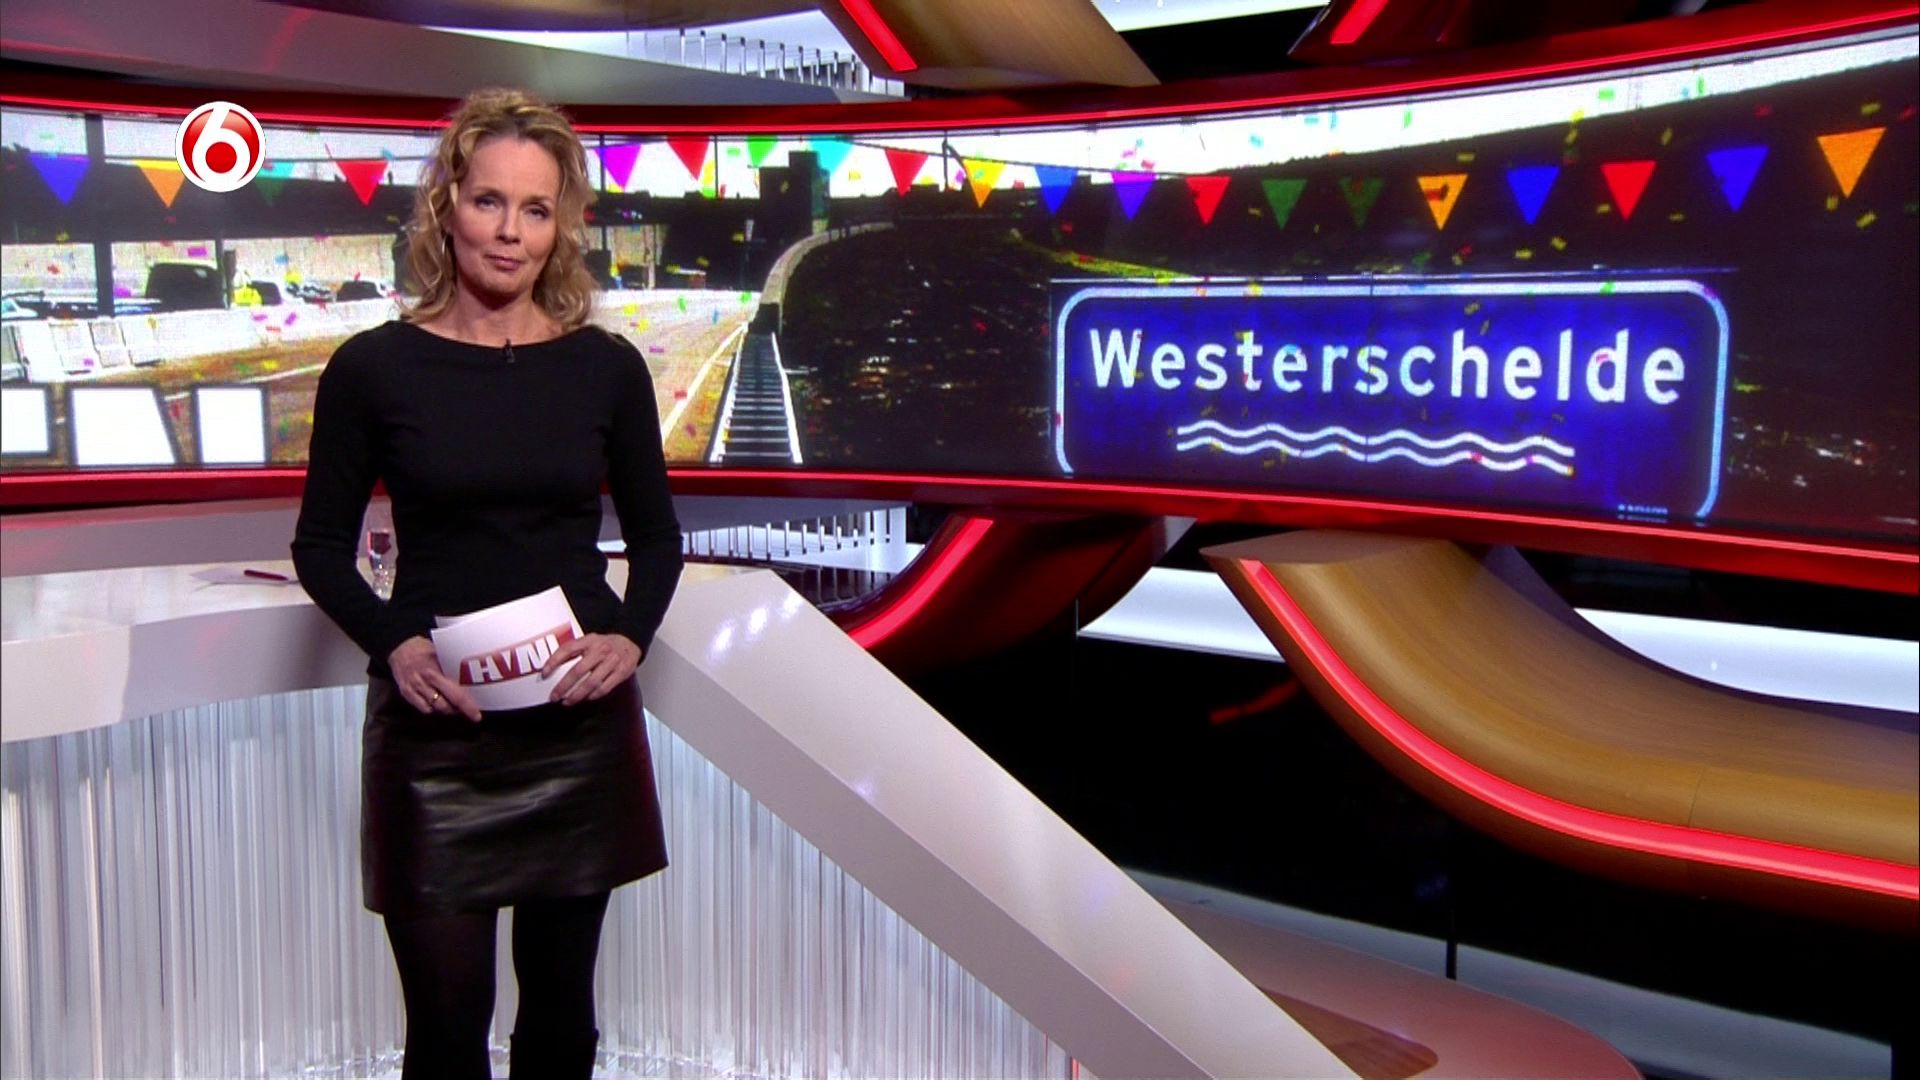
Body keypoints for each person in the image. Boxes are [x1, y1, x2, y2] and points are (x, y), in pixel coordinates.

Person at [291, 87, 682, 1078]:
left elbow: (658, 540)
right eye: (490, 201)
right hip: (437, 737)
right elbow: (320, 546)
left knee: (561, 1025)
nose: (510, 231)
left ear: (562, 228)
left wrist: (630, 635)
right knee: (445, 1034)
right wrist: (394, 642)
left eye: (536, 209)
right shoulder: (372, 369)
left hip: (574, 731)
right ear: (447, 208)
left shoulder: (606, 369)